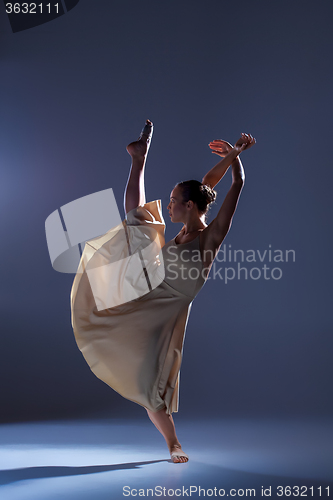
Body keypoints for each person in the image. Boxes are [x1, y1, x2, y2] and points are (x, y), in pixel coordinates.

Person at [71, 120, 255, 464]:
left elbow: (235, 183)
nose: (168, 205)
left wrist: (237, 157)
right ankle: (138, 160)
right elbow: (205, 188)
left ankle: (173, 443)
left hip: (167, 308)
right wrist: (229, 155)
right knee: (140, 222)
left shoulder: (211, 236)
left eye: (173, 201)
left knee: (150, 385)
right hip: (148, 287)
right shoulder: (188, 221)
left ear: (189, 206)